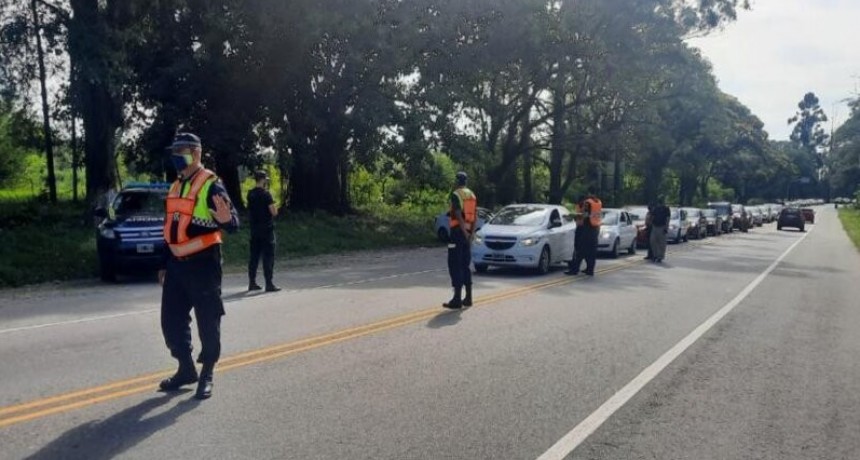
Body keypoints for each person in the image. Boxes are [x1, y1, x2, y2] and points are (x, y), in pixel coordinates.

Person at [157, 133, 239, 400]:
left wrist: (227, 220)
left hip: (204, 265)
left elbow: (233, 222)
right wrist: (164, 263)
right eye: (174, 151)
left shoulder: (211, 185)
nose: (176, 156)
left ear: (196, 153)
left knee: (208, 322)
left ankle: (207, 374)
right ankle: (186, 369)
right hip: (176, 266)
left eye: (180, 150)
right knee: (171, 321)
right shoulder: (175, 186)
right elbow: (169, 228)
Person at [443, 171, 477, 309]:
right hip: (467, 233)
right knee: (465, 265)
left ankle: (457, 299)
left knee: (454, 264)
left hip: (457, 233)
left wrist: (464, 233)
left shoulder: (456, 194)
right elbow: (475, 216)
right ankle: (468, 298)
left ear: (457, 181)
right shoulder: (472, 195)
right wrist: (470, 234)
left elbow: (458, 215)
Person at [247, 170, 280, 292]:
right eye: (265, 179)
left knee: (254, 257)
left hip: (254, 229)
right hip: (266, 229)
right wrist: (275, 206)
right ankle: (269, 283)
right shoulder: (266, 195)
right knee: (268, 257)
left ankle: (252, 282)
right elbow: (273, 212)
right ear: (262, 180)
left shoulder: (250, 194)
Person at [567, 192, 602, 276]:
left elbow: (586, 215)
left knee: (579, 250)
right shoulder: (597, 202)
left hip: (586, 229)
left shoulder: (587, 203)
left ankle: (574, 270)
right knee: (591, 252)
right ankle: (590, 270)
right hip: (595, 229)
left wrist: (575, 216)